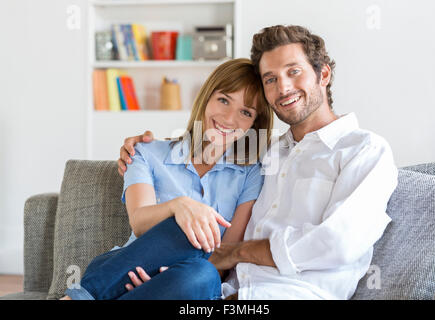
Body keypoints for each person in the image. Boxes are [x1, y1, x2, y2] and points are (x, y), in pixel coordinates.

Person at [118, 25, 398, 300]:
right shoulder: (268, 153)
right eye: (270, 79)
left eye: (294, 71)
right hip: (221, 294)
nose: (284, 88)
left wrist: (237, 252)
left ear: (323, 73)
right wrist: (147, 148)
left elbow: (338, 242)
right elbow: (216, 142)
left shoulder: (364, 151)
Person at [61, 58, 273, 300]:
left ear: (254, 125)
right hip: (123, 273)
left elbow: (224, 256)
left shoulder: (251, 173)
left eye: (245, 112)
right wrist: (178, 206)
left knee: (202, 273)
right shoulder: (146, 152)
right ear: (207, 98)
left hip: (188, 284)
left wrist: (165, 279)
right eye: (224, 100)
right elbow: (140, 222)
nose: (229, 118)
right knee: (187, 221)